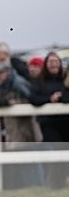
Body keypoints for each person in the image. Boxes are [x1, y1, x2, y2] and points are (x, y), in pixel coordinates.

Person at [0, 60, 43, 189]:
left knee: (30, 157)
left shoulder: (17, 83)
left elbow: (29, 99)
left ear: (7, 72)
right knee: (22, 156)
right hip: (14, 127)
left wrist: (11, 102)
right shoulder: (2, 85)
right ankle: (29, 185)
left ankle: (36, 185)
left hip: (25, 127)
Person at [29, 51, 69, 188]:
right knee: (58, 151)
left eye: (56, 61)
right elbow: (33, 99)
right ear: (46, 65)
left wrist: (61, 98)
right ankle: (55, 183)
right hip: (48, 124)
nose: (53, 64)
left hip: (65, 123)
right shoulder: (39, 82)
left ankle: (60, 181)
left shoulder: (65, 81)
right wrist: (49, 99)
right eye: (50, 62)